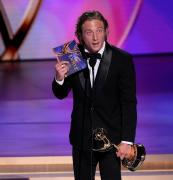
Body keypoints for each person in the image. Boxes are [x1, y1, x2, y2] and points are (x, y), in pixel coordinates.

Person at [52, 10, 137, 180]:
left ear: (106, 31)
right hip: (82, 139)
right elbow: (61, 94)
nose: (95, 37)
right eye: (89, 32)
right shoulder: (72, 57)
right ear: (80, 35)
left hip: (112, 140)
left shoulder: (122, 59)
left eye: (99, 30)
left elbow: (128, 102)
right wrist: (59, 79)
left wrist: (127, 141)